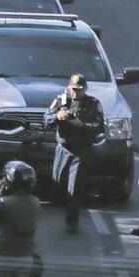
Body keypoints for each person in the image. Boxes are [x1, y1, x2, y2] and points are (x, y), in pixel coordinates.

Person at [45, 73, 105, 232]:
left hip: (81, 150)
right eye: (73, 89)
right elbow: (47, 119)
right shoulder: (61, 100)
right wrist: (58, 116)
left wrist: (77, 123)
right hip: (63, 149)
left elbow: (98, 126)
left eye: (79, 90)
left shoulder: (93, 104)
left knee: (75, 187)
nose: (75, 93)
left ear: (85, 89)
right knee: (57, 182)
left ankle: (72, 222)